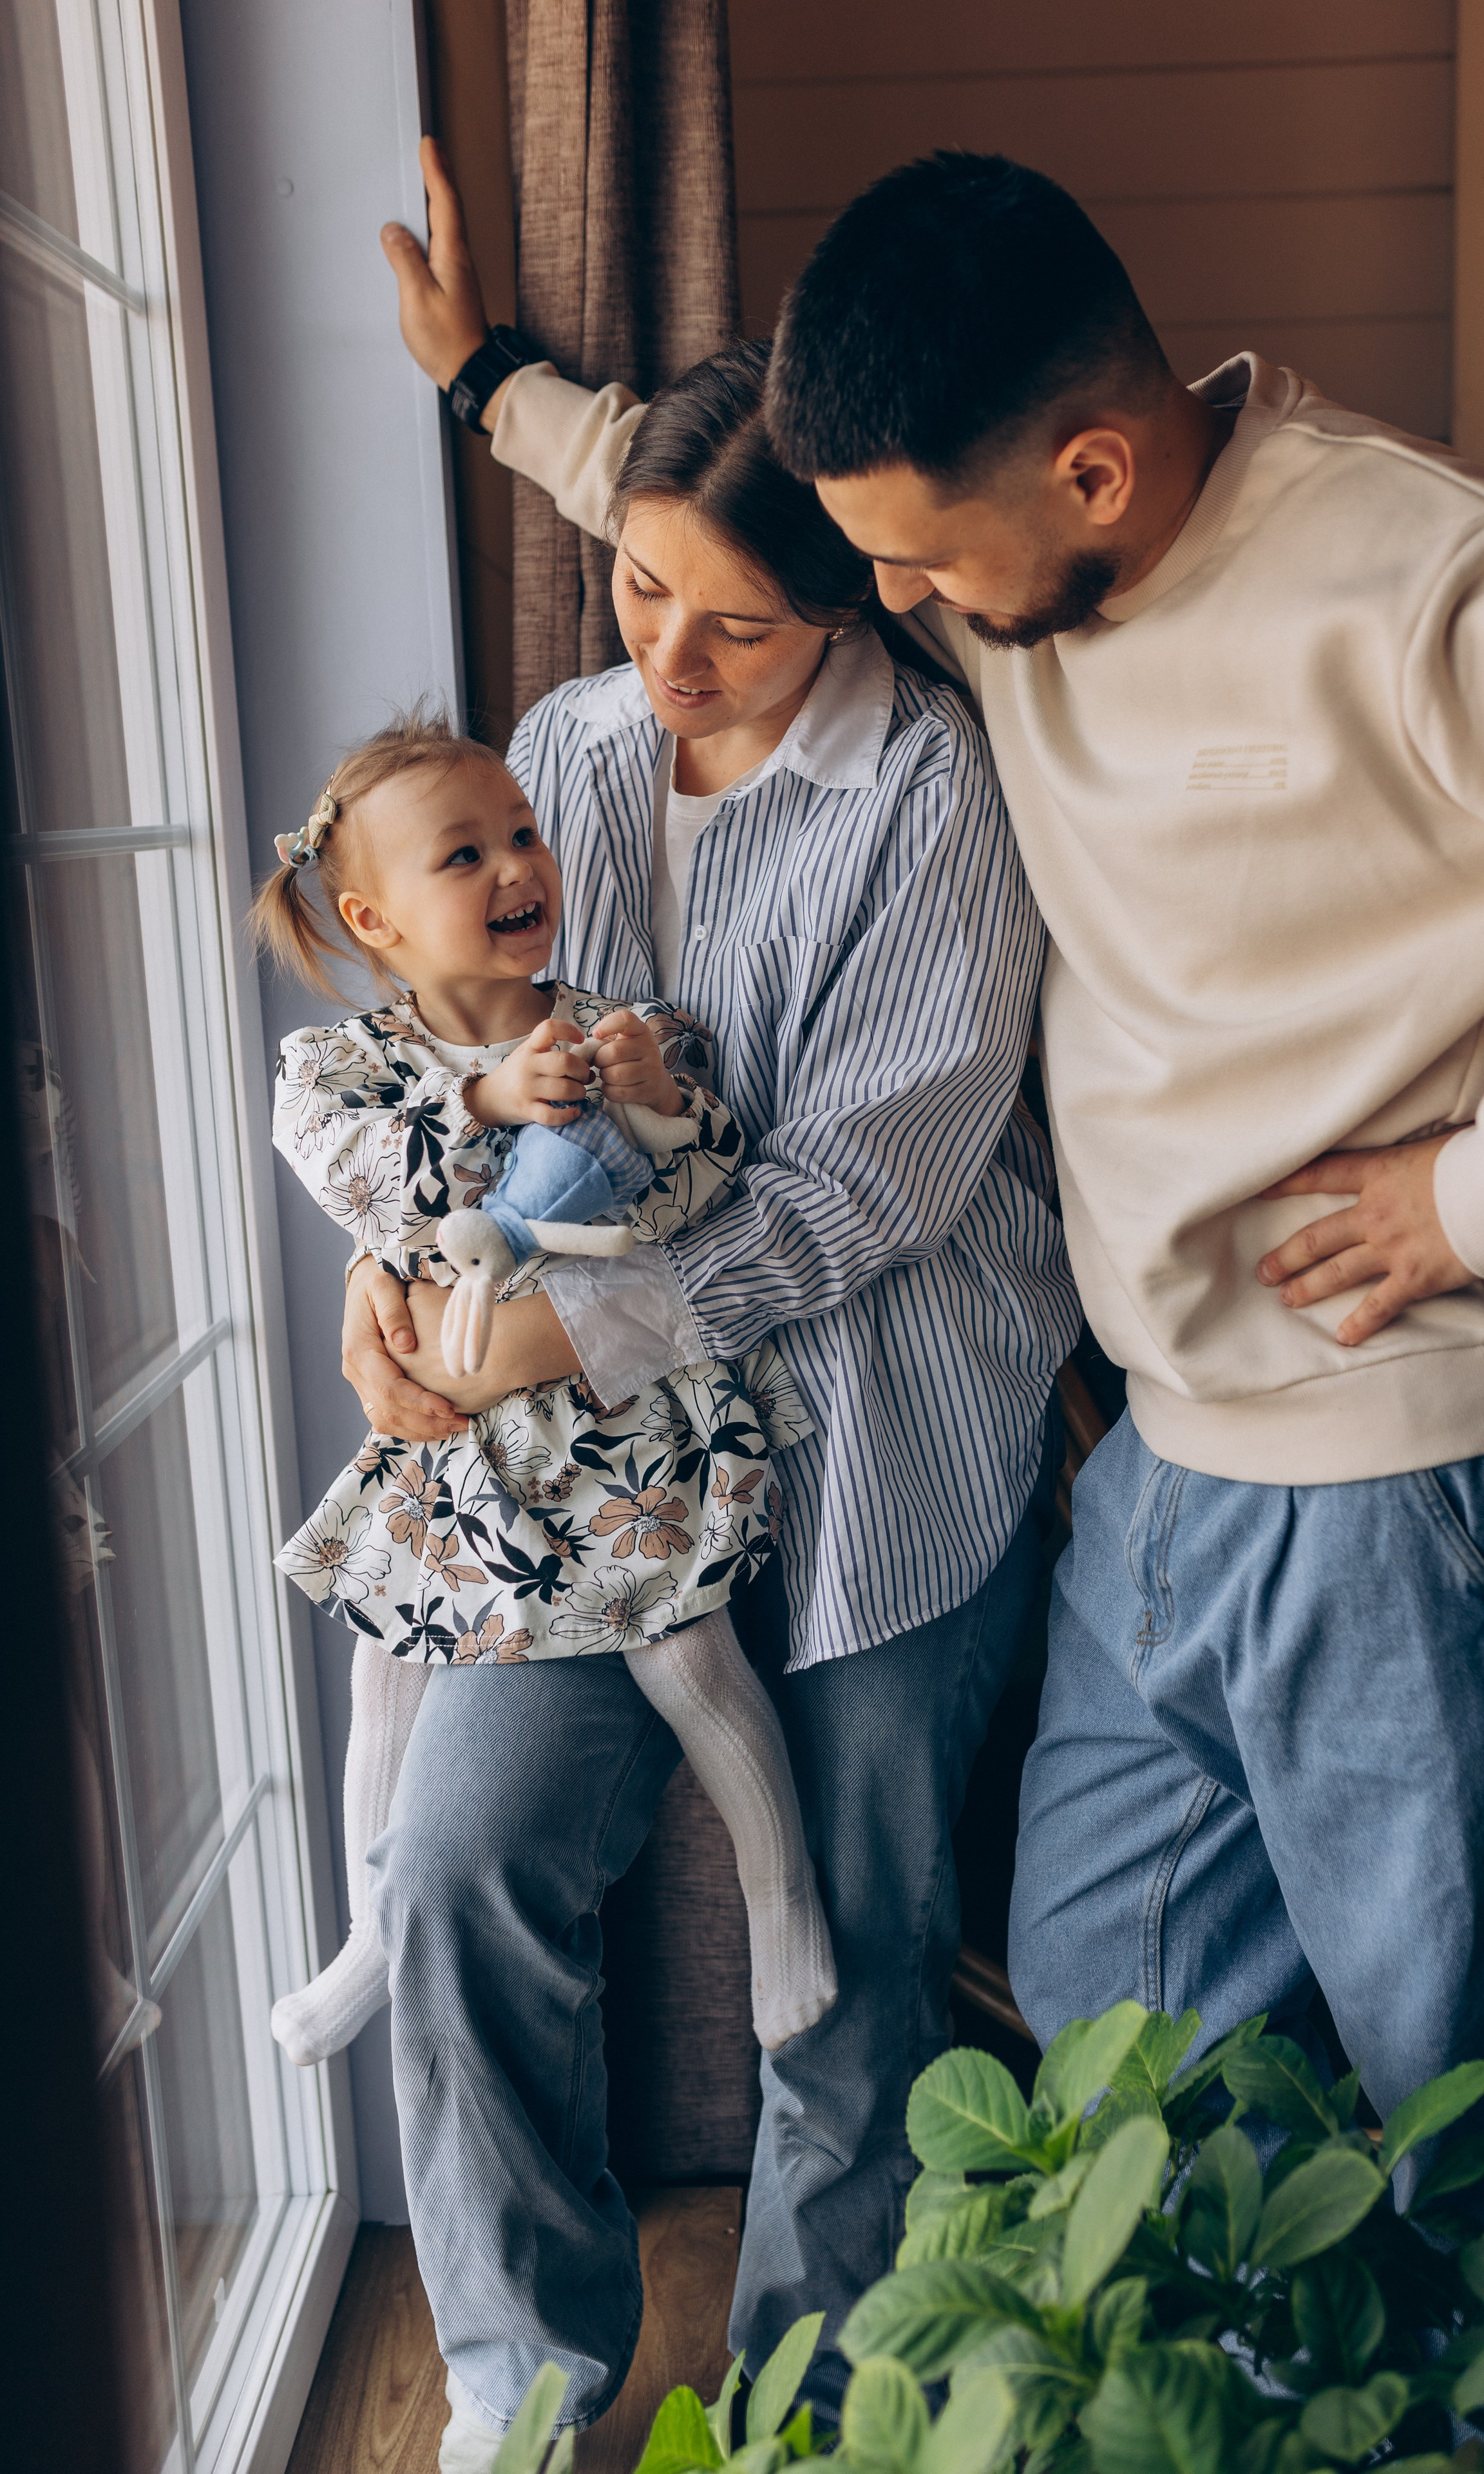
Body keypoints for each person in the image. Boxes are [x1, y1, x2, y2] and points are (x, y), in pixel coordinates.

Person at [384, 140, 1484, 2218]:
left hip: (1423, 1465)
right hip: (1163, 1468)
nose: (885, 610)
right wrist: (488, 381)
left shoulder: (1451, 585)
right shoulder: (1009, 577)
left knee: (1461, 2127)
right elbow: (698, 496)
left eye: (906, 561)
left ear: (1087, 472)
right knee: (1112, 2059)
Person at [344, 277, 1077, 2451]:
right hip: (595, 1466)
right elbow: (437, 1064)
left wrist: (525, 1334)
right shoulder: (555, 750)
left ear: (850, 601)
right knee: (463, 1867)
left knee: (841, 1967)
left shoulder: (936, 794)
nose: (668, 654)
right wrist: (387, 1284)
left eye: (736, 621)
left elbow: (866, 1198)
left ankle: (805, 2414)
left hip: (883, 1434)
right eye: (642, 585)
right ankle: (520, 2389)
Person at [253, 709, 834, 2074]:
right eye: (463, 855)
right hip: (457, 1452)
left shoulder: (619, 1031)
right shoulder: (338, 1070)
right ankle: (374, 1933)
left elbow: (700, 1205)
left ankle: (782, 1903)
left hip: (619, 1430)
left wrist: (665, 1112)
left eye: (522, 834)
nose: (517, 866)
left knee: (688, 1655)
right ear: (374, 919)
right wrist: (484, 1107)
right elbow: (360, 1187)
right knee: (387, 1663)